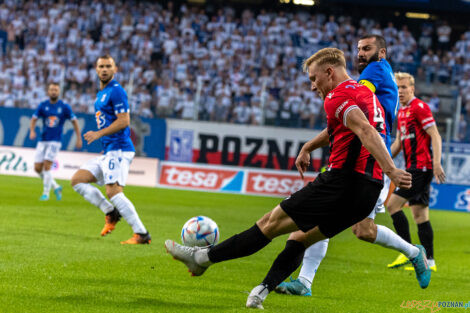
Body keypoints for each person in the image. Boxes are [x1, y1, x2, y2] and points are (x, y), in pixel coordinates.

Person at [165, 48, 429, 310]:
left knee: (269, 224)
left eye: (314, 79)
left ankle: (201, 258)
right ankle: (261, 292)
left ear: (329, 71)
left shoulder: (337, 96)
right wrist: (309, 147)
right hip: (367, 192)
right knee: (301, 238)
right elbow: (346, 126)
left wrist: (392, 169)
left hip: (342, 182)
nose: (313, 86)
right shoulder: (365, 94)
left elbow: (364, 130)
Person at [276, 34, 423, 297]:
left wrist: (308, 145)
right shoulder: (381, 72)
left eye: (367, 49)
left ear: (382, 53)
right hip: (355, 161)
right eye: (358, 49)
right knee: (336, 222)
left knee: (361, 229)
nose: (360, 54)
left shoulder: (374, 73)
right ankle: (304, 282)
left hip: (368, 164)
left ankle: (413, 252)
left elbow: (352, 116)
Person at [70, 55, 151, 245]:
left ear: (115, 69)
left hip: (120, 150)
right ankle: (110, 212)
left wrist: (99, 134)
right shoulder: (101, 93)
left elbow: (124, 121)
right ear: (96, 69)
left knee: (114, 191)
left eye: (108, 66)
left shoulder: (116, 91)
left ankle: (141, 233)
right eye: (101, 66)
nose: (105, 69)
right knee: (78, 181)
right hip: (109, 150)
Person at [386, 72, 445, 271]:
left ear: (412, 89)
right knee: (420, 216)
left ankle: (408, 253)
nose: (400, 91)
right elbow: (398, 143)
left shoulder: (419, 107)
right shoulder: (402, 111)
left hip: (421, 168)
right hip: (415, 167)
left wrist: (437, 163)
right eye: (397, 87)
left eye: (404, 87)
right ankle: (430, 261)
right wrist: (382, 160)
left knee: (393, 205)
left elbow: (435, 136)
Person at [29, 82, 82, 201]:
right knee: (37, 168)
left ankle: (46, 194)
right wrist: (32, 130)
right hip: (43, 140)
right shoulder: (43, 105)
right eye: (52, 90)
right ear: (48, 92)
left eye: (56, 90)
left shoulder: (64, 106)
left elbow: (74, 121)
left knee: (47, 167)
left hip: (55, 141)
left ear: (59, 92)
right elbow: (34, 118)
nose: (54, 92)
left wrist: (79, 137)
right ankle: (56, 187)